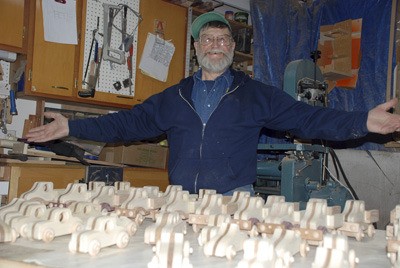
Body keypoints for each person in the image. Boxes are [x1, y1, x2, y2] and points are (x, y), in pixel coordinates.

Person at [26, 12, 400, 196]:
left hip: (235, 200)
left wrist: (363, 121)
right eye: (207, 39)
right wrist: (72, 126)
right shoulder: (173, 98)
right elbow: (124, 125)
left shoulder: (256, 94)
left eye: (223, 39)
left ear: (232, 49)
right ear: (196, 48)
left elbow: (308, 119)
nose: (215, 45)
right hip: (180, 200)